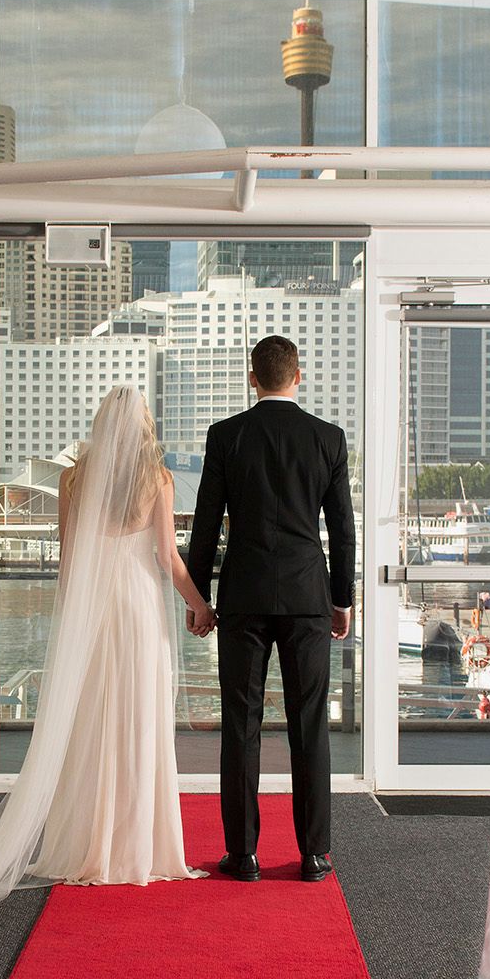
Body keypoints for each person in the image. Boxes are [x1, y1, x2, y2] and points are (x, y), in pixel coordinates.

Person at [0, 386, 213, 909]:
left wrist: (72, 619)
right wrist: (202, 605)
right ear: (144, 427)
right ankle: (140, 848)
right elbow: (167, 557)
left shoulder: (74, 477)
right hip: (139, 607)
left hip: (93, 608)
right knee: (139, 719)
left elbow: (69, 560)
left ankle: (85, 845)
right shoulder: (156, 478)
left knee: (91, 720)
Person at [187, 335, 356, 883]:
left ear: (252, 378)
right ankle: (315, 854)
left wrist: (199, 597)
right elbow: (342, 531)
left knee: (242, 723)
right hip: (309, 598)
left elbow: (206, 526)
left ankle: (243, 854)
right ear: (298, 376)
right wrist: (342, 599)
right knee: (311, 723)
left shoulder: (226, 436)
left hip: (244, 597)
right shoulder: (328, 439)